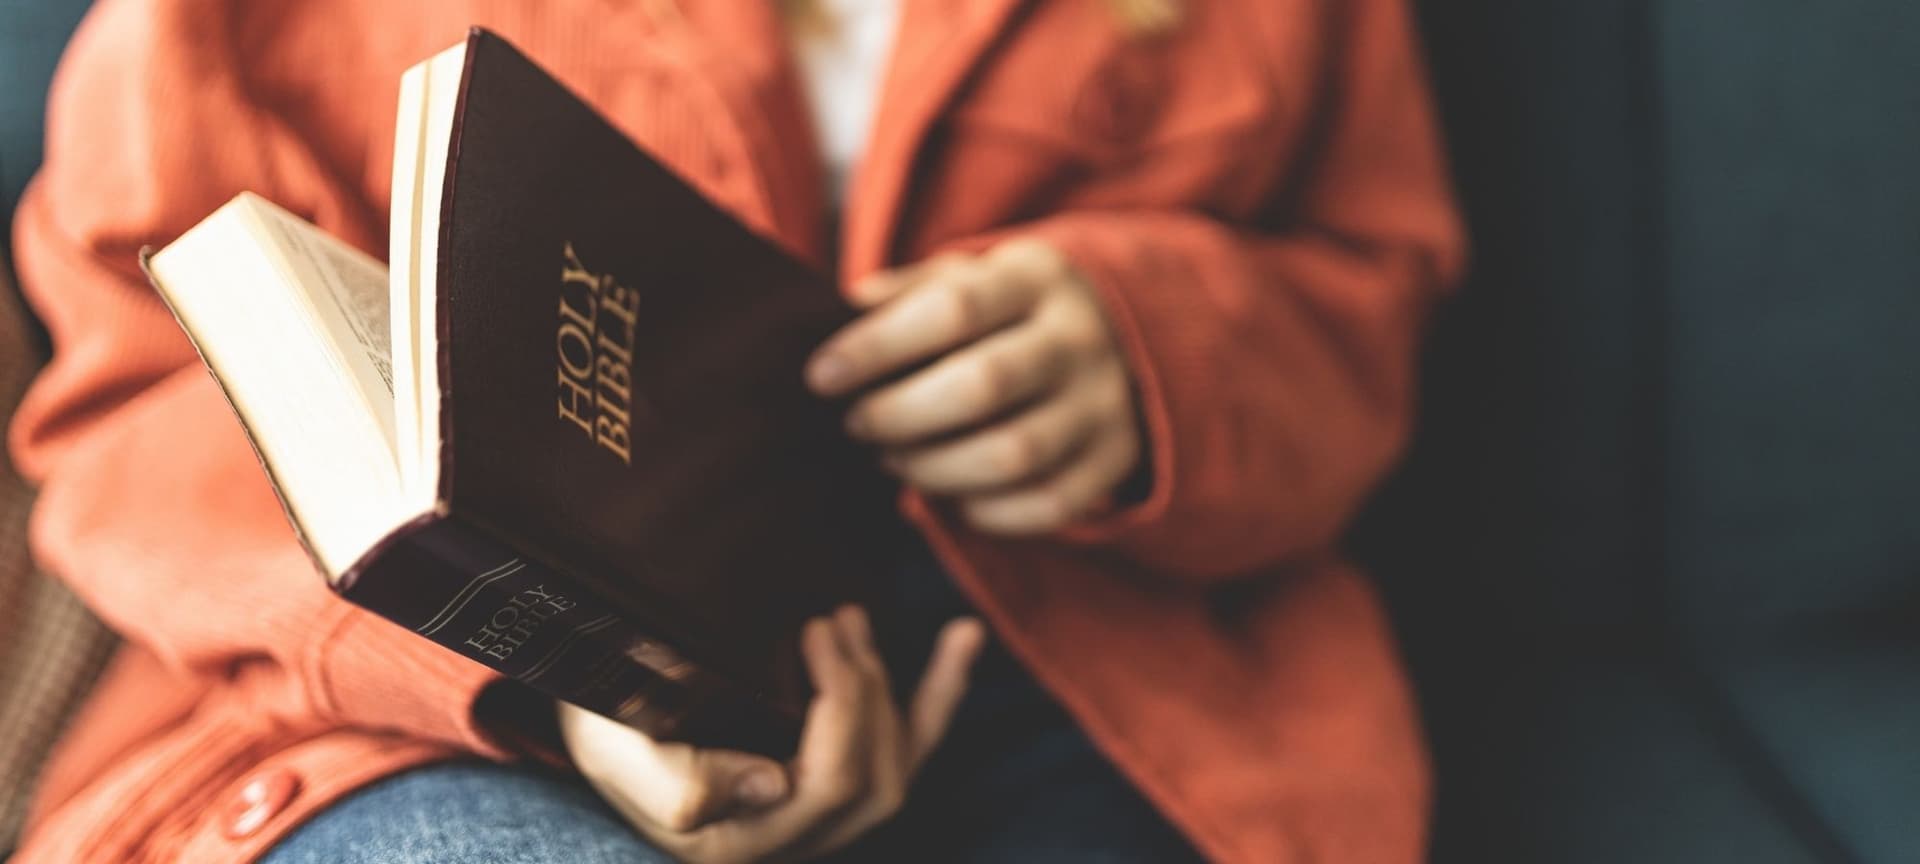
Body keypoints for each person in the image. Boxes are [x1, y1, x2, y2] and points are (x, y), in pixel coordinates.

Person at [6, 0, 1461, 861]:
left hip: (1097, 685)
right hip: (415, 713)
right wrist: (538, 682)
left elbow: (1366, 303)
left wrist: (1155, 353)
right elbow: (143, 394)